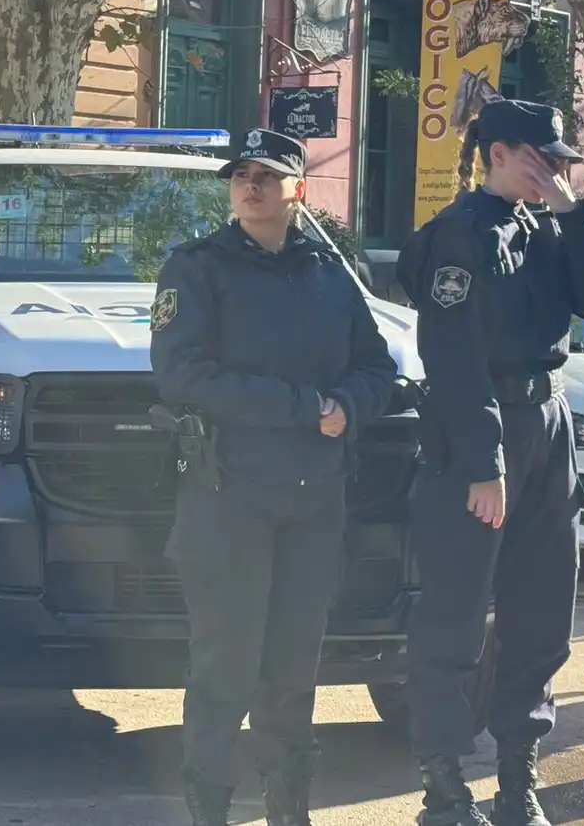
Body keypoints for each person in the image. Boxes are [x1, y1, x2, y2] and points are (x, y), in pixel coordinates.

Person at [150, 127, 399, 826]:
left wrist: (348, 405)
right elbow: (180, 375)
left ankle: (290, 809)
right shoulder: (197, 268)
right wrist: (300, 407)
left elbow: (377, 366)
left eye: (266, 175)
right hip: (228, 496)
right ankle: (210, 809)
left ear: (299, 189)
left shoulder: (329, 274)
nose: (251, 186)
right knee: (224, 668)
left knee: (293, 668)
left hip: (314, 498)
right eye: (241, 176)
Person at [395, 100, 584, 826]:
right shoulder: (457, 234)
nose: (557, 169)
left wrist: (574, 211)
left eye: (561, 159)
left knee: (541, 607)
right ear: (499, 154)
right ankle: (443, 786)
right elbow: (453, 357)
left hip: (547, 424)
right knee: (455, 614)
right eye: (544, 157)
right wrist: (480, 460)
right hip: (479, 428)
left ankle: (516, 775)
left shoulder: (551, 225)